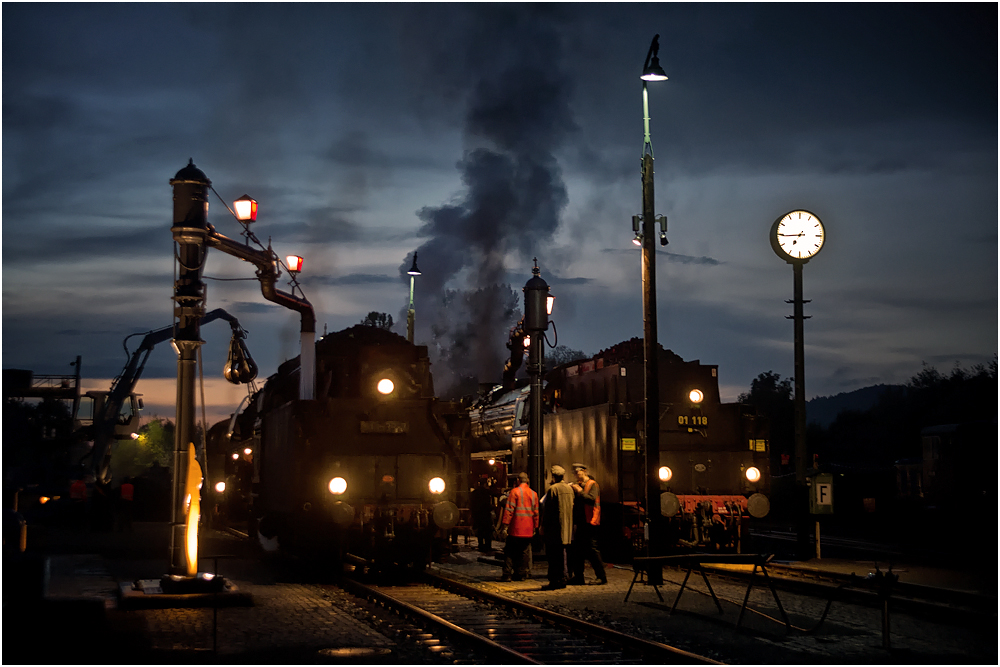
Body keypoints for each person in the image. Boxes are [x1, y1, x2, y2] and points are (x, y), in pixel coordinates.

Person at [568, 463, 607, 585]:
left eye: (577, 472)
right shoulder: (580, 485)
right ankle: (579, 577)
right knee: (578, 551)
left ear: (584, 471)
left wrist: (579, 492)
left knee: (592, 550)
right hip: (581, 522)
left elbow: (591, 499)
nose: (576, 475)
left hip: (590, 522)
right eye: (574, 473)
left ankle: (601, 577)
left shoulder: (592, 485)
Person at [540, 464, 575, 590]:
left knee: (553, 556)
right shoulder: (569, 489)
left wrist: (542, 526)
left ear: (553, 476)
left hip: (554, 529)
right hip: (567, 528)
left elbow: (548, 511)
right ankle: (563, 578)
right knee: (563, 555)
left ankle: (554, 581)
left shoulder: (553, 489)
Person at [500, 472, 538, 582]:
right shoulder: (533, 494)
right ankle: (521, 574)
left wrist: (505, 526)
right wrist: (535, 526)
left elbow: (509, 510)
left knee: (509, 551)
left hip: (515, 528)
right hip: (528, 528)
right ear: (528, 480)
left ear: (518, 480)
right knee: (524, 552)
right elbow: (536, 513)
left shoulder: (514, 492)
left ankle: (507, 574)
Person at [470, 479, 494, 553]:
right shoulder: (487, 492)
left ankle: (481, 545)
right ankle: (488, 546)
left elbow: (472, 505)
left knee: (480, 531)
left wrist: (473, 515)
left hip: (478, 515)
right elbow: (489, 504)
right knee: (488, 532)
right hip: (486, 514)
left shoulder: (474, 493)